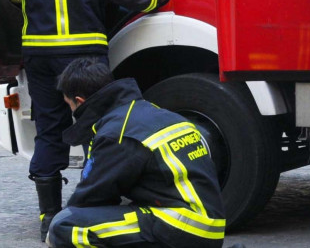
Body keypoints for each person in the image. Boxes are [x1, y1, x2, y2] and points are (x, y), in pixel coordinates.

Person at [18, 0, 172, 240]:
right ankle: (92, 207)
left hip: (36, 52)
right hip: (79, 51)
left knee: (49, 129)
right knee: (97, 128)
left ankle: (48, 217)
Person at [46, 57, 225, 247]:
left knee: (66, 226)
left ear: (80, 102)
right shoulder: (149, 112)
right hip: (205, 225)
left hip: (184, 229)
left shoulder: (117, 132)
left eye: (70, 104)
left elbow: (90, 198)